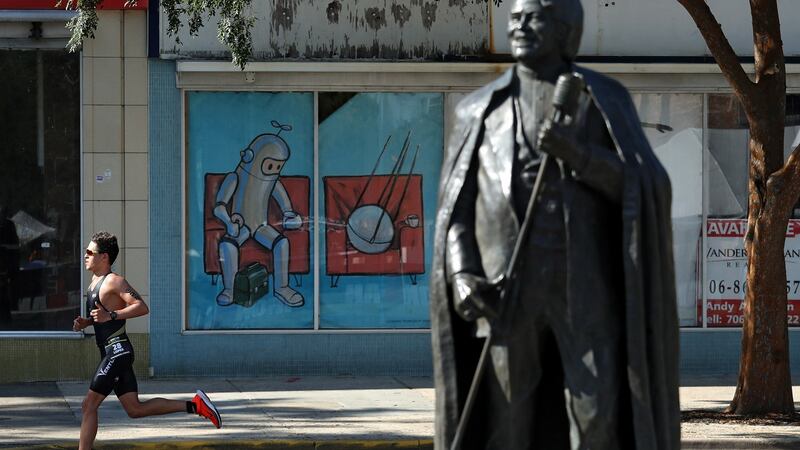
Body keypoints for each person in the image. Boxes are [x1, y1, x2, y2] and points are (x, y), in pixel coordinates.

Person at [429, 0, 679, 448]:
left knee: (598, 417)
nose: (519, 25)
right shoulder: (478, 110)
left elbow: (644, 184)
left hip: (584, 288)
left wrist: (579, 156)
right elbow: (457, 209)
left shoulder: (602, 99)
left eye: (534, 16)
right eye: (515, 17)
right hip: (506, 293)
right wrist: (463, 274)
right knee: (506, 423)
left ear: (566, 29)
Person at [72, 231, 222, 450]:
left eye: (89, 252)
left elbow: (141, 307)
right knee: (135, 409)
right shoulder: (94, 283)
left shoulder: (115, 281)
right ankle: (196, 406)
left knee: (88, 405)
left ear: (104, 257)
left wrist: (111, 316)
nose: (85, 255)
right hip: (110, 352)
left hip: (118, 351)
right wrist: (87, 322)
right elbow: (104, 317)